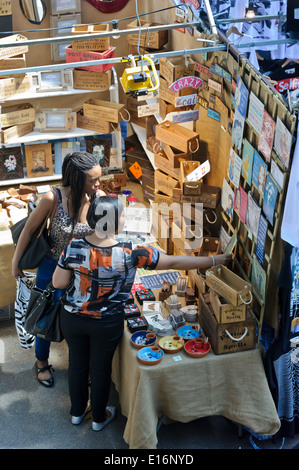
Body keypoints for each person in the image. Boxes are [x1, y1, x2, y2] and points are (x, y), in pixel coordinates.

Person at [52, 196, 232, 431]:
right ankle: (98, 417)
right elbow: (173, 263)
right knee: (100, 368)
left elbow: (58, 282)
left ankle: (76, 413)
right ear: (113, 222)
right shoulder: (131, 252)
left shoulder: (73, 246)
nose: (127, 218)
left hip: (73, 319)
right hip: (106, 323)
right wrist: (212, 259)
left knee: (77, 363)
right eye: (124, 214)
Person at [12, 152, 105, 388]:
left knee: (81, 318)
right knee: (45, 314)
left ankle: (82, 366)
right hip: (52, 266)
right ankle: (41, 362)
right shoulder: (52, 198)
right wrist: (16, 262)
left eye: (99, 179)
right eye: (93, 180)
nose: (98, 184)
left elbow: (104, 236)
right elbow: (27, 231)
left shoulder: (98, 198)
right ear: (76, 178)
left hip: (84, 268)